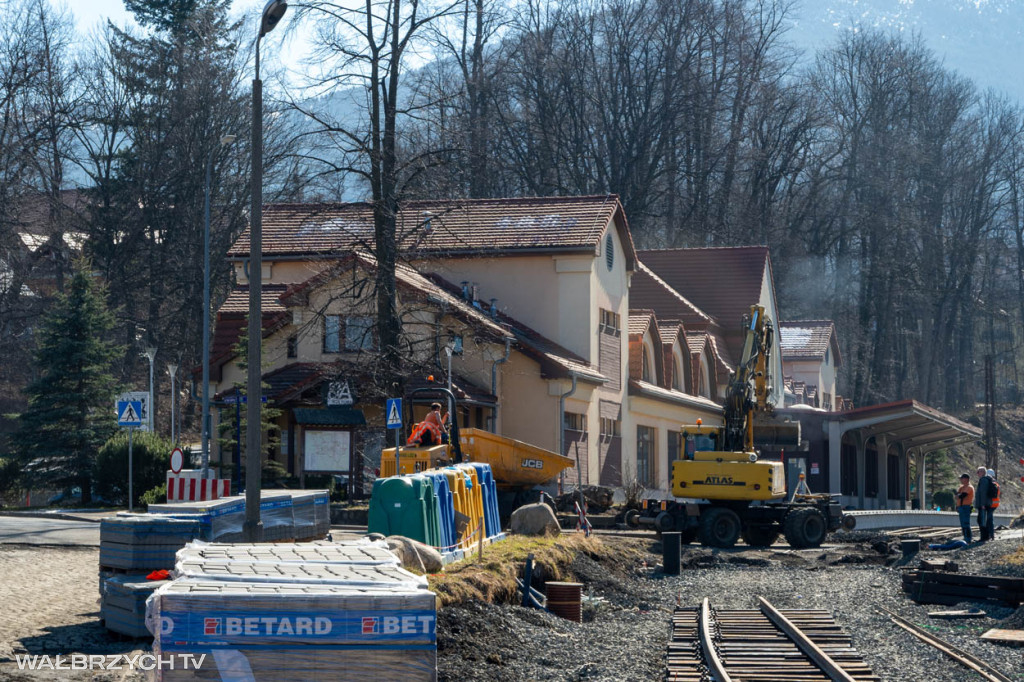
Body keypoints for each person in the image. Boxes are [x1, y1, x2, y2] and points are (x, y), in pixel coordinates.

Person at [975, 466, 995, 542]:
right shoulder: (987, 480)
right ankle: (986, 536)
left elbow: (983, 493)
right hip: (987, 504)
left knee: (981, 520)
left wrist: (982, 504)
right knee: (983, 520)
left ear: (983, 472)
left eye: (979, 471)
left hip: (983, 505)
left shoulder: (983, 480)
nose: (977, 473)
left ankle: (984, 537)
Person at [955, 473, 974, 542]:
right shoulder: (962, 487)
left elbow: (962, 496)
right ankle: (965, 537)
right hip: (961, 507)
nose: (960, 480)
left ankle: (968, 538)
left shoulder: (969, 487)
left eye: (962, 478)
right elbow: (957, 495)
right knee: (963, 524)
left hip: (966, 507)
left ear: (966, 479)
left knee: (966, 523)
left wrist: (958, 495)